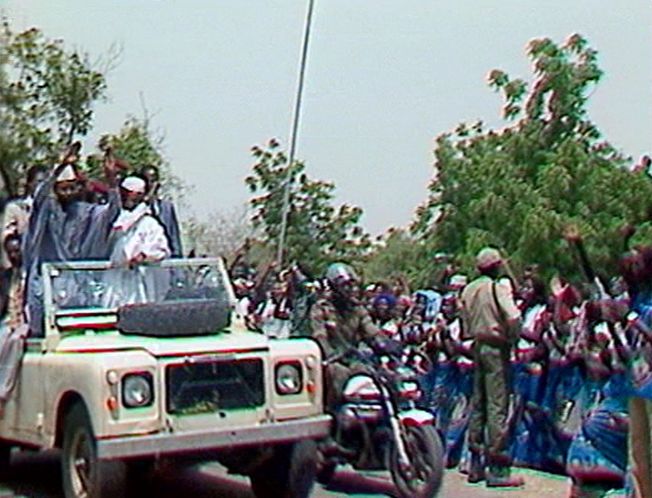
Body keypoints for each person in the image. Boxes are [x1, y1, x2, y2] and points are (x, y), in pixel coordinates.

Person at [22, 147, 121, 336]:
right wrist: (59, 166)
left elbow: (112, 213)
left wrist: (112, 182)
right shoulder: (46, 213)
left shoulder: (85, 212)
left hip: (78, 293)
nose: (68, 192)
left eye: (72, 187)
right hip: (46, 293)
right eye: (63, 188)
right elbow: (39, 199)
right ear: (56, 190)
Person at [461, 247, 524, 487]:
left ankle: (475, 463)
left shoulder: (469, 290)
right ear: (496, 265)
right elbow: (513, 317)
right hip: (497, 348)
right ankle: (497, 468)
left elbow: (465, 323)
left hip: (478, 346)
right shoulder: (499, 287)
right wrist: (513, 338)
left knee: (479, 404)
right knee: (498, 405)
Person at [309, 262, 379, 410]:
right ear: (333, 288)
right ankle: (337, 417)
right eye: (345, 286)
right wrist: (330, 353)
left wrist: (386, 343)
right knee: (338, 374)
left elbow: (370, 330)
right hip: (332, 360)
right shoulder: (322, 309)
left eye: (352, 285)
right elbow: (320, 335)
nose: (350, 290)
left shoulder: (357, 308)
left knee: (374, 374)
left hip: (353, 358)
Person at [102, 176, 171, 307]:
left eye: (133, 193)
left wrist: (143, 256)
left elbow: (161, 249)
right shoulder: (116, 220)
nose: (128, 197)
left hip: (139, 282)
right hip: (115, 278)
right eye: (125, 193)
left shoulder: (149, 223)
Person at [0, 165, 47, 268]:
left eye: (45, 183)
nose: (42, 186)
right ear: (30, 184)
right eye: (38, 182)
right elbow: (6, 238)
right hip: (21, 264)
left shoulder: (52, 209)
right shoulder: (16, 208)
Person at [139, 164, 183, 258]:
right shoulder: (134, 208)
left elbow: (174, 237)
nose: (151, 184)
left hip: (163, 262)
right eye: (147, 181)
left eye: (153, 180)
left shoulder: (166, 207)